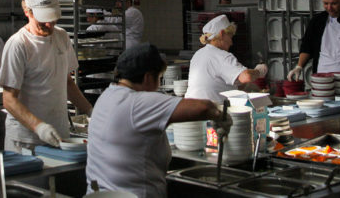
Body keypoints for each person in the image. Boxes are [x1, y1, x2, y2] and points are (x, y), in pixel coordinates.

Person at [86, 43, 231, 197]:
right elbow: (204, 108)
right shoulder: (137, 102)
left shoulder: (106, 96)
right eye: (159, 78)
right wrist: (219, 115)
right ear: (148, 77)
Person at [0, 0, 93, 151]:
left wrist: (91, 111)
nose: (49, 25)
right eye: (43, 20)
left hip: (59, 134)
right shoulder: (18, 44)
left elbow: (67, 83)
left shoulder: (62, 37)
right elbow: (9, 100)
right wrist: (39, 126)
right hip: (26, 140)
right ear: (27, 12)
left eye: (53, 19)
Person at [184, 15, 268, 103]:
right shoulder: (221, 56)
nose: (231, 43)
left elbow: (218, 83)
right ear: (222, 34)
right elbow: (247, 76)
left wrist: (245, 86)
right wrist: (259, 71)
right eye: (230, 37)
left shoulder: (198, 54)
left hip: (191, 106)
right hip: (210, 108)